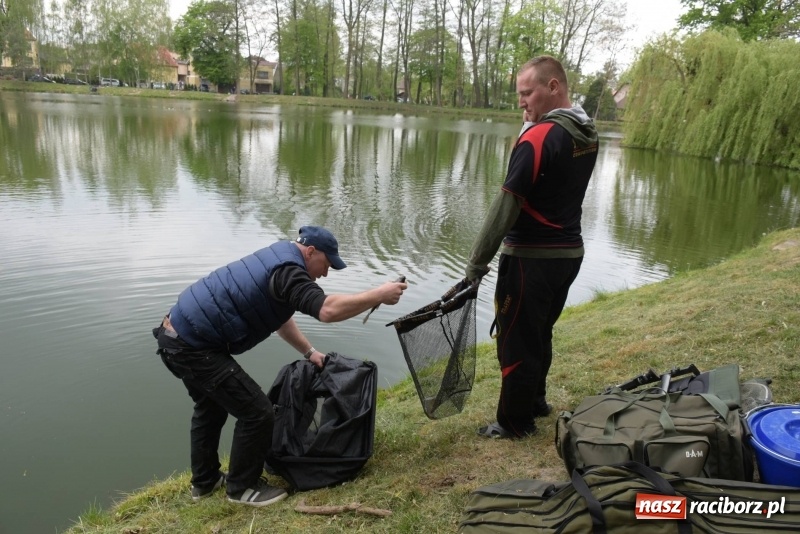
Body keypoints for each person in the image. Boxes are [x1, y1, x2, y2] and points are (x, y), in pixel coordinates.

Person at [153, 226, 408, 506]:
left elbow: (280, 318)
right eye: (327, 264)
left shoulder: (278, 257)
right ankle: (241, 489)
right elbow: (327, 310)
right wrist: (379, 294)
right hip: (193, 346)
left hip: (175, 334)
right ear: (311, 251)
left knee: (210, 409)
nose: (326, 273)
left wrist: (310, 352)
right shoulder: (289, 271)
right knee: (258, 412)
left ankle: (205, 482)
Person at [465, 55, 599, 439]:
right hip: (569, 255)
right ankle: (535, 401)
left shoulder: (539, 137)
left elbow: (506, 203)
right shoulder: (586, 132)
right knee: (540, 331)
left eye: (527, 93)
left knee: (517, 339)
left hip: (530, 258)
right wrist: (528, 127)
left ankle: (514, 422)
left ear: (552, 87)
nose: (521, 102)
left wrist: (476, 264)